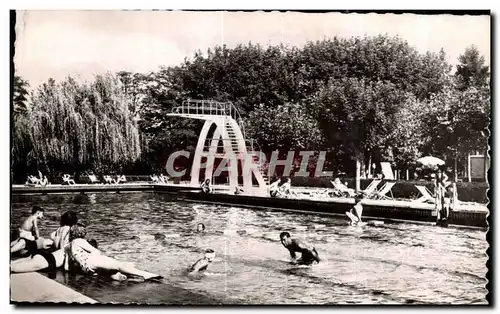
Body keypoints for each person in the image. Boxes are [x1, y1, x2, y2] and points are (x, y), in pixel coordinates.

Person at [66, 224, 162, 281]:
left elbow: (67, 266)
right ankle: (144, 274)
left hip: (85, 268)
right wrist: (102, 259)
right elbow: (95, 251)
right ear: (82, 233)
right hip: (91, 260)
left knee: (109, 268)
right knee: (119, 265)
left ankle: (119, 276)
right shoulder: (79, 241)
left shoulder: (68, 245)